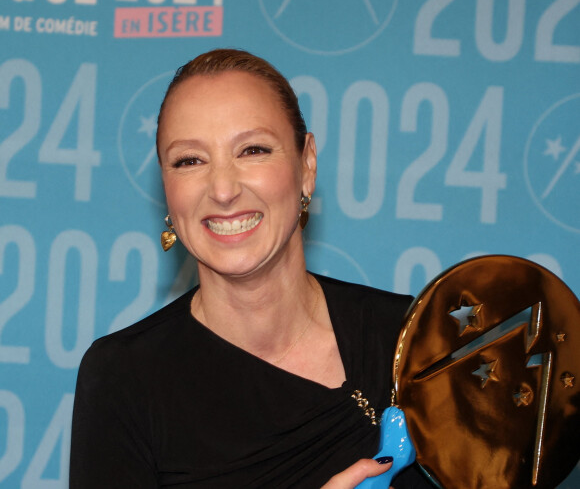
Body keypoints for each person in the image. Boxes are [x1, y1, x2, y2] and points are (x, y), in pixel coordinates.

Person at [70, 49, 432, 488]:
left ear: (307, 165)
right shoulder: (123, 380)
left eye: (253, 150)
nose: (223, 189)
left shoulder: (411, 338)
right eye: (189, 160)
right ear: (166, 186)